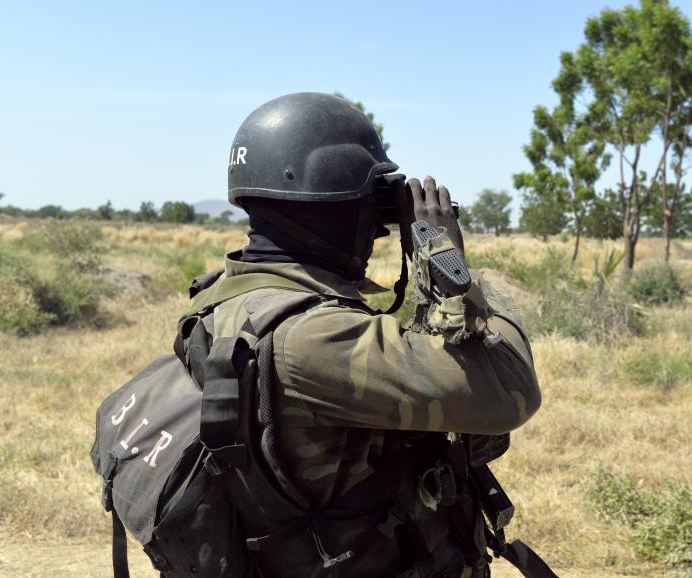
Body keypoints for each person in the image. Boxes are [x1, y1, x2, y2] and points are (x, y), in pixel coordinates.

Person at [208, 92, 543, 577]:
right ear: (323, 204)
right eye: (367, 207)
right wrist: (448, 265)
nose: (378, 232)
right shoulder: (313, 338)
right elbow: (507, 390)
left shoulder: (232, 300)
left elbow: (401, 341)